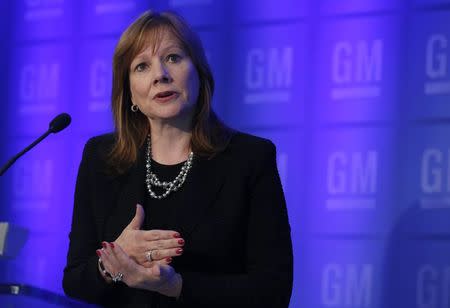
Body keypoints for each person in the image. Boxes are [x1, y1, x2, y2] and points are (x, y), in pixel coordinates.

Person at [62, 10, 293, 308]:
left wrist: (176, 286)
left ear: (198, 72)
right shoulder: (100, 158)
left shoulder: (249, 159)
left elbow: (273, 292)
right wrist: (115, 259)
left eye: (173, 58)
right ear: (130, 92)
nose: (160, 75)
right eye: (142, 66)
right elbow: (74, 282)